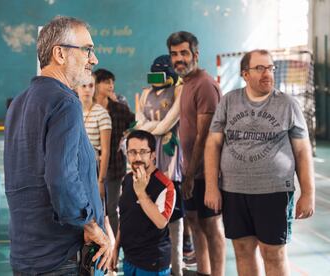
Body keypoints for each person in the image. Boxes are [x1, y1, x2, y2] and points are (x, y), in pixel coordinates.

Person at [4, 16, 111, 275]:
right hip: (61, 257)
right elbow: (61, 179)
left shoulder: (19, 103)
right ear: (60, 54)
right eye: (87, 49)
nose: (93, 59)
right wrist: (91, 226)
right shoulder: (66, 102)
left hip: (27, 253)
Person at [204, 49, 315, 276]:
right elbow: (212, 144)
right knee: (243, 251)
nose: (268, 74)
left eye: (270, 68)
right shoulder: (229, 102)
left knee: (273, 253)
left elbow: (303, 150)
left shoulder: (287, 105)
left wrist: (308, 192)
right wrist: (211, 186)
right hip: (234, 192)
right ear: (245, 74)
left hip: (274, 192)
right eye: (260, 68)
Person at [167, 31, 226, 276]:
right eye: (174, 54)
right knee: (195, 223)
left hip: (206, 173)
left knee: (211, 226)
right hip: (189, 171)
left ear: (195, 54)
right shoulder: (186, 84)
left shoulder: (205, 85)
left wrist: (190, 175)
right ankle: (204, 271)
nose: (179, 58)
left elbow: (206, 136)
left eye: (184, 53)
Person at [135, 54, 185, 276]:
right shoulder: (145, 93)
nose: (155, 79)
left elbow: (168, 123)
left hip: (170, 161)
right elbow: (139, 122)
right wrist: (154, 127)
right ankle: (150, 265)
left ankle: (177, 268)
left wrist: (150, 127)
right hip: (146, 161)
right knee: (146, 214)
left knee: (172, 219)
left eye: (160, 74)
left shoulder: (178, 91)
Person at [112, 130, 176, 275]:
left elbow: (161, 222)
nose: (137, 157)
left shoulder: (165, 186)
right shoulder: (127, 180)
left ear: (153, 155)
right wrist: (116, 248)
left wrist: (141, 193)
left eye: (143, 152)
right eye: (132, 152)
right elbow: (125, 217)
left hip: (152, 263)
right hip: (129, 258)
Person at [94, 68, 135, 236]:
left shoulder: (119, 108)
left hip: (115, 165)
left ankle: (115, 246)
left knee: (112, 207)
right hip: (94, 165)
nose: (111, 85)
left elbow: (134, 124)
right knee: (96, 206)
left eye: (112, 82)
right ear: (96, 84)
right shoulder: (88, 108)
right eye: (106, 82)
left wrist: (125, 137)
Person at [75, 74, 112, 200]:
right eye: (83, 86)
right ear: (76, 88)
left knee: (94, 208)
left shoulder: (102, 114)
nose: (87, 89)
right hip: (73, 165)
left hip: (93, 166)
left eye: (90, 86)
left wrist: (100, 180)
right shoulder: (72, 112)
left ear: (94, 88)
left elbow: (106, 150)